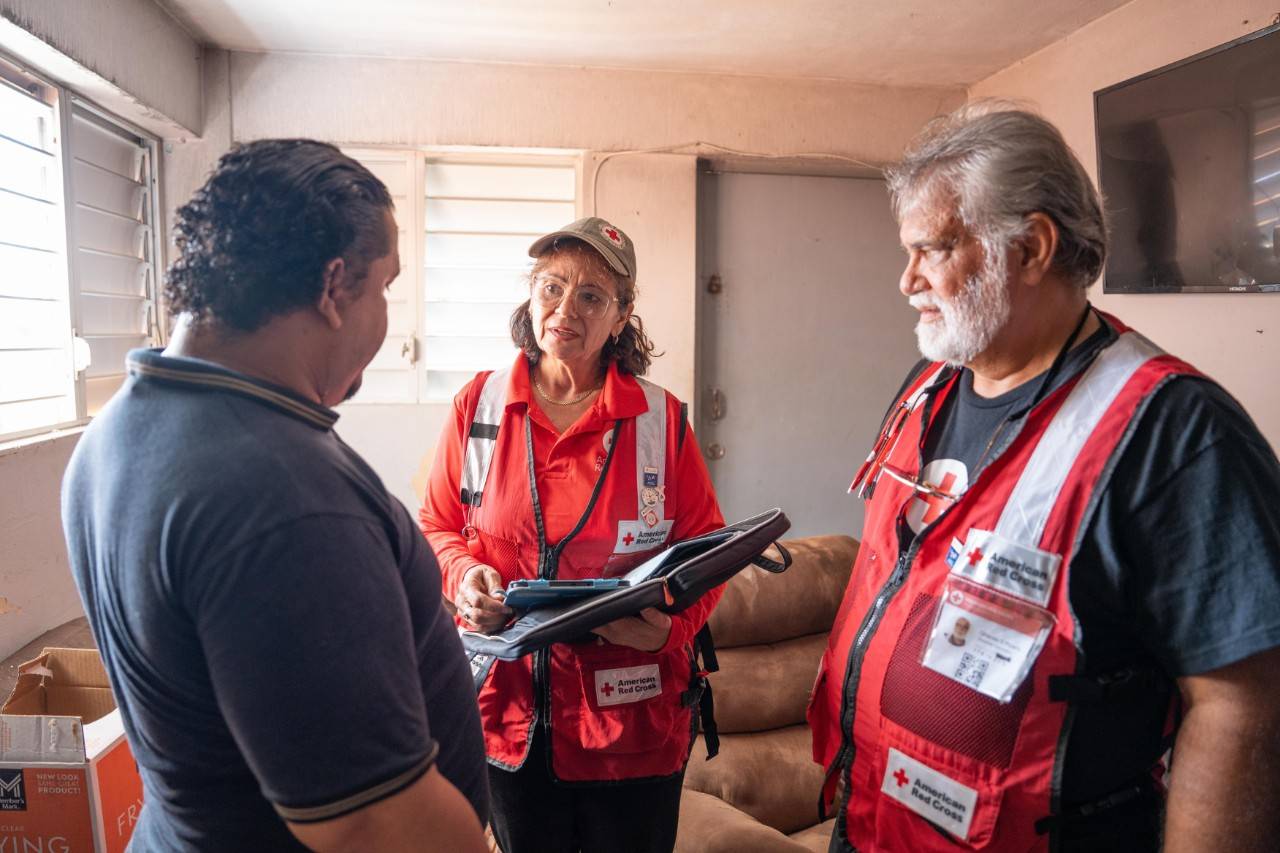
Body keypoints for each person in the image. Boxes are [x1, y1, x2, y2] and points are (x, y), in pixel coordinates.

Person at [808, 103, 1280, 853]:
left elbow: (1245, 705)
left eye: (931, 250)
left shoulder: (1178, 433)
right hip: (872, 821)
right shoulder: (928, 383)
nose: (906, 281)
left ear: (1029, 248)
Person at [62, 140, 489, 852]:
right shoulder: (283, 503)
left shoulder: (116, 432)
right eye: (385, 287)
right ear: (333, 288)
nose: (385, 316)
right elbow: (372, 826)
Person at [420, 216, 725, 853]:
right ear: (530, 299)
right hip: (508, 714)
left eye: (591, 295)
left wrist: (673, 628)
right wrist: (461, 574)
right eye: (552, 287)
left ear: (622, 316)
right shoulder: (477, 406)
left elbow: (710, 550)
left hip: (631, 722)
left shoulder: (660, 420)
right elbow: (437, 525)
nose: (567, 308)